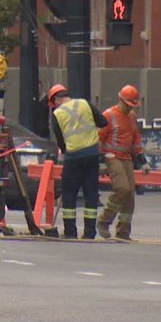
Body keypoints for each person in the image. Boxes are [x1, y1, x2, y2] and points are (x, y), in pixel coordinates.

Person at [48, 84, 109, 240]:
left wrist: (66, 150)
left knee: (69, 195)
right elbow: (103, 122)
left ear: (56, 99)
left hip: (73, 157)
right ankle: (89, 233)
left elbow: (60, 141)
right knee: (91, 194)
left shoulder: (57, 114)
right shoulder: (84, 103)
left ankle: (70, 232)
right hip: (91, 155)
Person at [96, 85, 148, 240]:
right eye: (128, 104)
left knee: (129, 195)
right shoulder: (108, 115)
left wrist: (142, 161)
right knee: (122, 189)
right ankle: (104, 220)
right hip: (112, 156)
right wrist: (101, 161)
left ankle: (123, 231)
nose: (129, 108)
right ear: (121, 100)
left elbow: (136, 140)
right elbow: (99, 138)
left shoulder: (131, 116)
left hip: (126, 158)